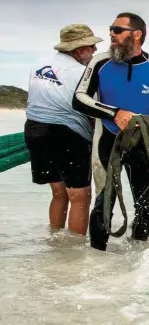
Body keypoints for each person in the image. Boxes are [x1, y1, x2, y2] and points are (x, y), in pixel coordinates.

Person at [72, 12, 149, 251]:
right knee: (104, 202)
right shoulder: (100, 62)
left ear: (137, 35)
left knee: (145, 203)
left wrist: (147, 125)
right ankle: (97, 260)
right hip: (107, 141)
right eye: (111, 29)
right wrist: (114, 113)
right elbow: (78, 99)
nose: (111, 34)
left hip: (143, 144)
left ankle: (136, 258)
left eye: (117, 30)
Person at [24, 24, 103, 236]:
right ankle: (74, 255)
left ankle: (55, 243)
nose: (94, 51)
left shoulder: (40, 63)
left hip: (34, 130)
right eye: (90, 47)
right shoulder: (81, 72)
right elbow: (92, 111)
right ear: (77, 50)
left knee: (59, 193)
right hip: (66, 135)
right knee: (81, 196)